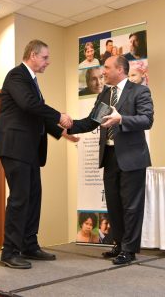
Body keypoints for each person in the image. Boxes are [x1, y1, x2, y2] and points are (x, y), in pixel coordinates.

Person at [0, 39, 75, 269]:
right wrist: (59, 115)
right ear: (32, 55)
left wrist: (62, 133)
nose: (48, 62)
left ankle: (29, 245)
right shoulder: (16, 76)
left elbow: (36, 115)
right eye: (45, 57)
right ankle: (9, 252)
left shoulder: (32, 80)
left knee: (33, 197)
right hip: (14, 148)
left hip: (29, 150)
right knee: (20, 198)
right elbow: (29, 105)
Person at [68, 55, 154, 265]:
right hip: (109, 156)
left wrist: (121, 119)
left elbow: (147, 119)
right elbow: (91, 121)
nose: (103, 71)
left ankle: (129, 249)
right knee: (114, 204)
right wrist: (67, 125)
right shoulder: (106, 93)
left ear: (120, 69)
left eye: (106, 67)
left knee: (131, 206)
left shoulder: (140, 91)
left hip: (133, 158)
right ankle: (118, 244)